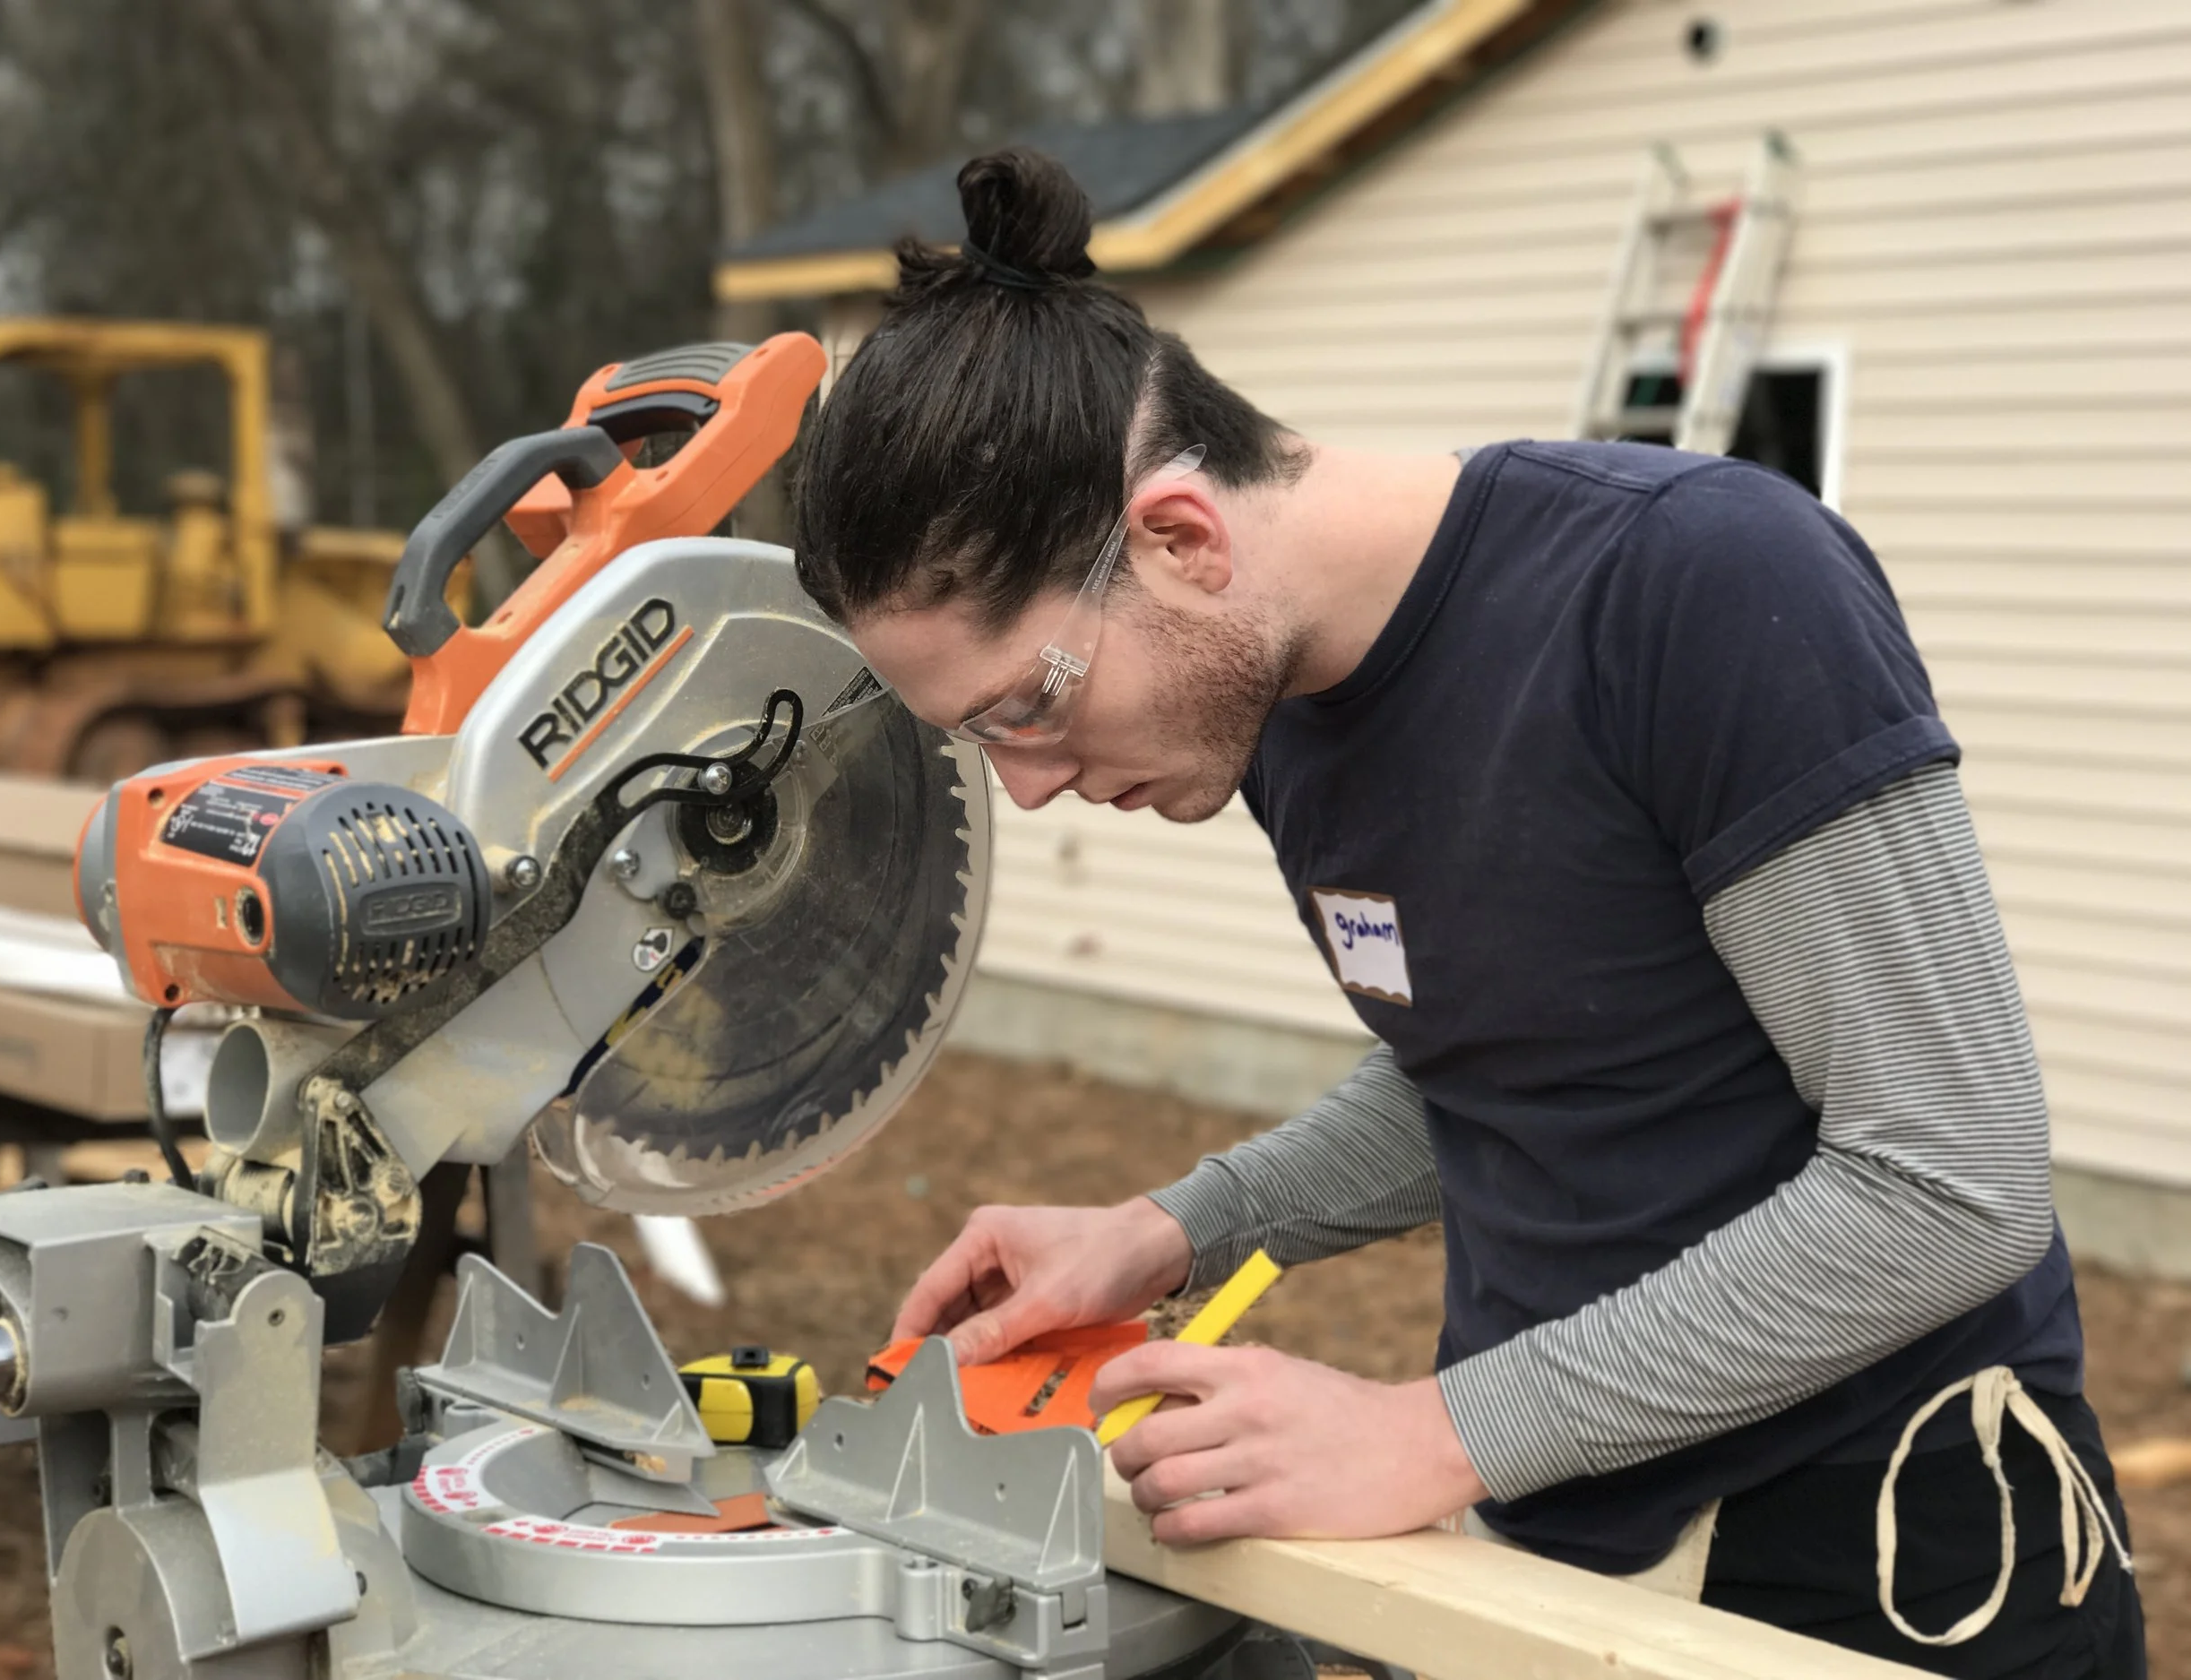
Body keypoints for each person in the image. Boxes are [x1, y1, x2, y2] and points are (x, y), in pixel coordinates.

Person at [789, 147, 2146, 1677]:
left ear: (1180, 539)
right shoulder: (1278, 704)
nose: (1026, 789)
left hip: (1894, 1558)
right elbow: (1518, 1054)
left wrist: (1434, 1431)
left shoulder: (1697, 587)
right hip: (1559, 1542)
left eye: (1026, 705)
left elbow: (1950, 1179)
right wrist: (1175, 1228)